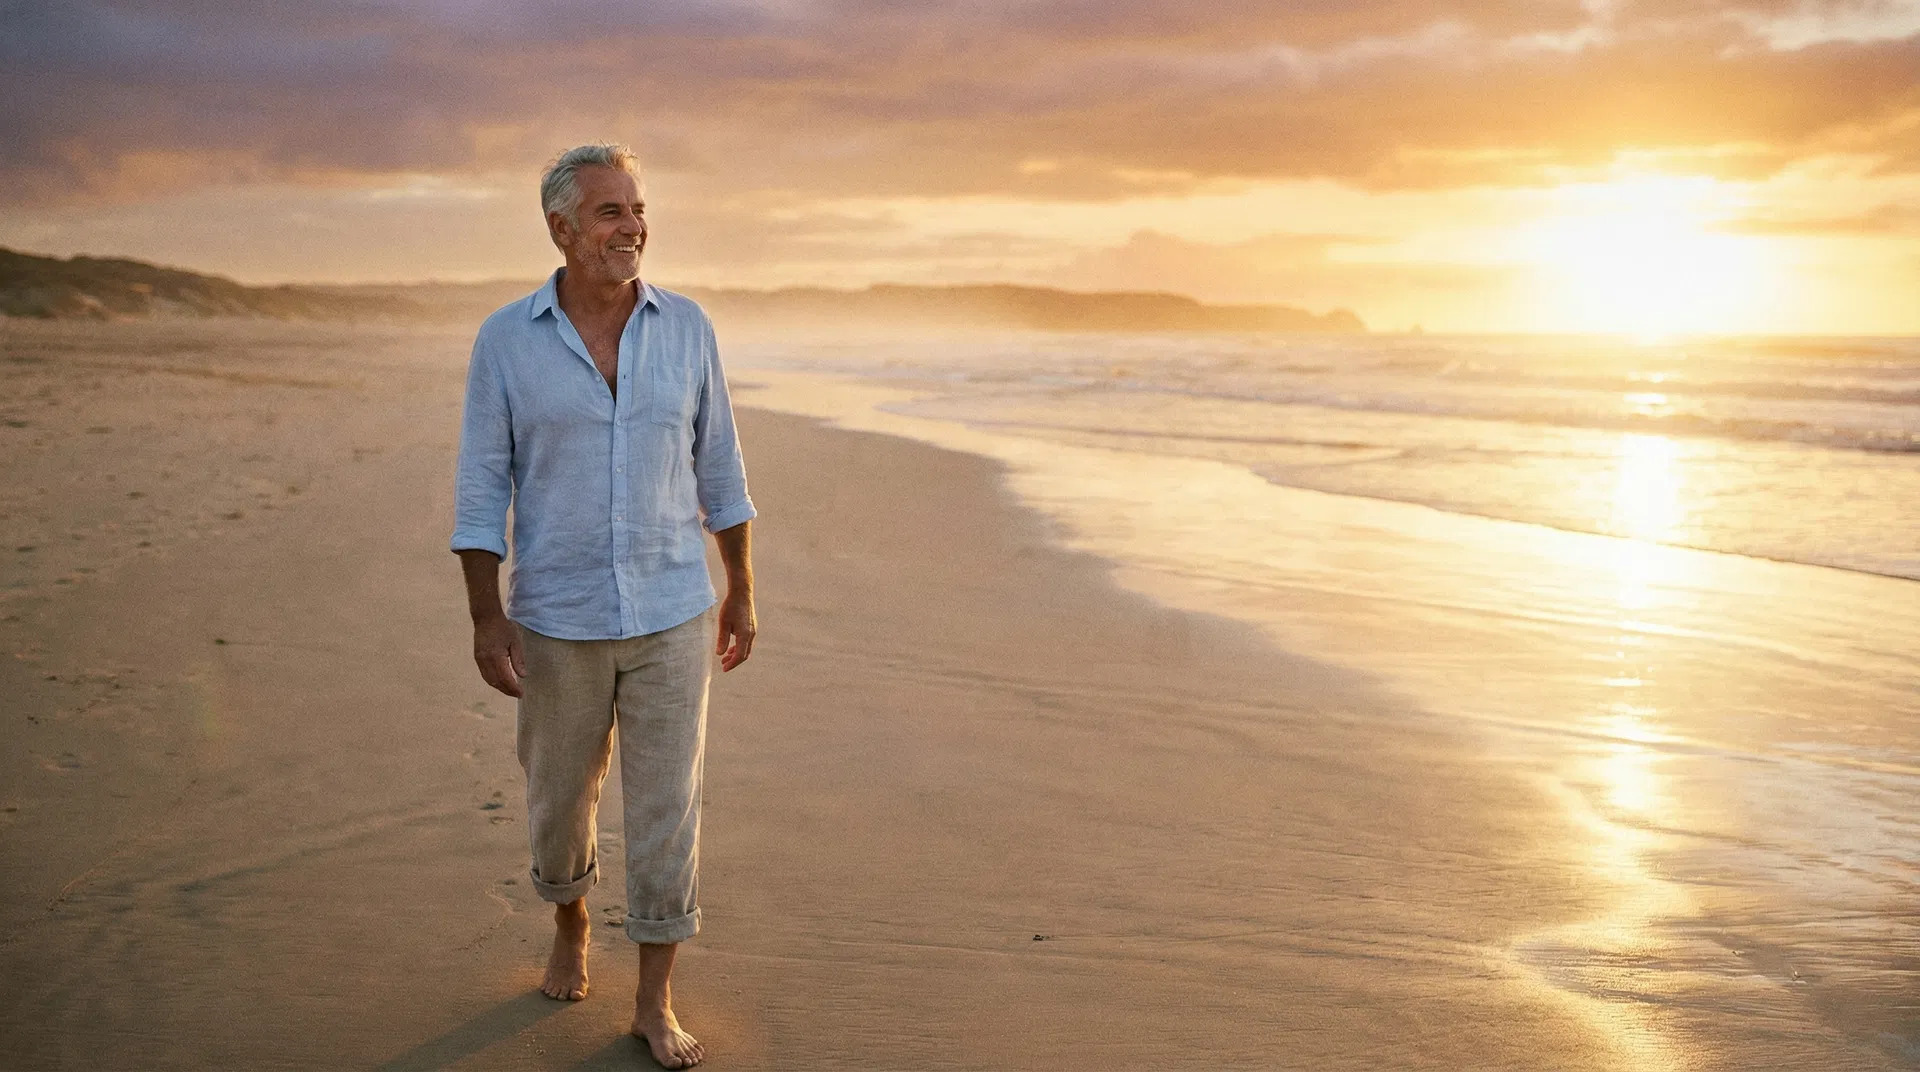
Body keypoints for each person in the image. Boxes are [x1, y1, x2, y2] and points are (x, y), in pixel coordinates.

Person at [450, 142, 756, 1070]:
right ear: (561, 228)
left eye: (638, 208)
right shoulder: (507, 340)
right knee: (558, 805)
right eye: (610, 211)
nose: (632, 227)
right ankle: (571, 920)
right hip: (557, 615)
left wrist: (741, 587)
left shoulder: (688, 327)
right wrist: (486, 615)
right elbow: (481, 486)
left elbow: (721, 467)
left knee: (668, 809)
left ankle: (654, 1000)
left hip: (672, 609)